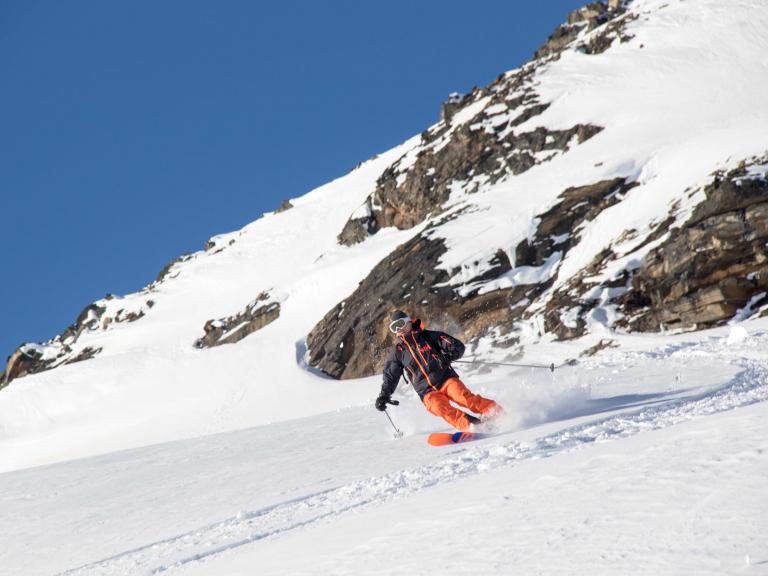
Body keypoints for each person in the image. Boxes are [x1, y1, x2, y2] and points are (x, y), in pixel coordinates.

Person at [375, 310, 502, 431]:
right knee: (440, 408)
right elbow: (390, 376)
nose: (399, 329)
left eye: (400, 324)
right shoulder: (398, 352)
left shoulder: (429, 336)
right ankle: (471, 426)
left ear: (409, 322)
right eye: (394, 327)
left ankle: (494, 411)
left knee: (463, 397)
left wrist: (448, 356)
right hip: (426, 392)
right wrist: (384, 395)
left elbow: (457, 346)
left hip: (445, 379)